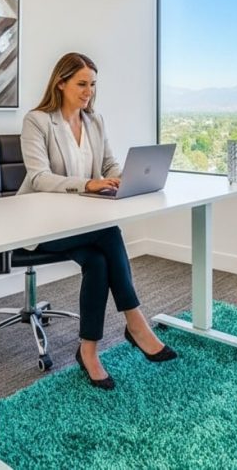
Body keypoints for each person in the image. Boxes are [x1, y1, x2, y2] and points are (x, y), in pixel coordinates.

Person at [17, 52, 176, 390]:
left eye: (92, 84)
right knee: (108, 233)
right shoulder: (38, 121)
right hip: (39, 224)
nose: (88, 91)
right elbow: (39, 177)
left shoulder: (94, 121)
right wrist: (87, 184)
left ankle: (88, 351)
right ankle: (135, 324)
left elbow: (109, 165)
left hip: (79, 223)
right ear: (60, 83)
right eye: (81, 84)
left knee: (99, 262)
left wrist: (126, 177)